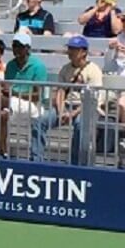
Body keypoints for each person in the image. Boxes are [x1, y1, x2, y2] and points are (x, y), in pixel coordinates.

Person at [30, 36, 103, 164]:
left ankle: (75, 163)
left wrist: (73, 114)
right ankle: (36, 160)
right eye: (69, 48)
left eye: (74, 49)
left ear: (83, 52)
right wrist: (61, 110)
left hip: (85, 108)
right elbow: (61, 91)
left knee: (81, 125)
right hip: (67, 105)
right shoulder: (65, 68)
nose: (70, 51)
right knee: (39, 121)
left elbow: (92, 98)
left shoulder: (94, 70)